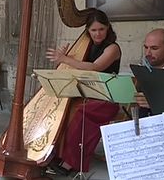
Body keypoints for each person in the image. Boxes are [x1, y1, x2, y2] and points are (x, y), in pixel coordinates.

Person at [45, 11, 121, 174]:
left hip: (107, 97)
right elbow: (76, 66)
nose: (97, 33)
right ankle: (56, 153)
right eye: (93, 30)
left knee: (80, 113)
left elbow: (95, 67)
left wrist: (65, 59)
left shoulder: (113, 48)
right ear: (88, 30)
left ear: (108, 28)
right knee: (61, 110)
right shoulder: (87, 46)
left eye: (101, 29)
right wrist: (66, 57)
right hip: (88, 94)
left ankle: (71, 162)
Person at [135, 28, 164, 117]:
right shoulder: (141, 70)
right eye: (146, 47)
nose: (148, 53)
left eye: (154, 48)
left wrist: (155, 104)